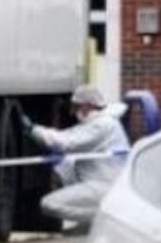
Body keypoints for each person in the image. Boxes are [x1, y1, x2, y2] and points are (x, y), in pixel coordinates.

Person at [21, 84, 130, 232]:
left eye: (76, 107)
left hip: (102, 186)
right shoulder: (105, 123)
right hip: (107, 184)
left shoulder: (101, 126)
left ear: (87, 106)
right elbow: (70, 137)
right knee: (66, 169)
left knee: (49, 204)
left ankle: (100, 219)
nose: (73, 113)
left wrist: (32, 130)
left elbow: (66, 142)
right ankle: (96, 220)